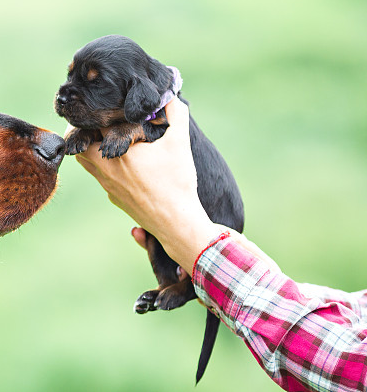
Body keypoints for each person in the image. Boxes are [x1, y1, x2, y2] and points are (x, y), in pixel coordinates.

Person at [73, 98, 367, 392]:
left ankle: (180, 284)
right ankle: (174, 283)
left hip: (211, 218)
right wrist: (238, 276)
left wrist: (196, 243)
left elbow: (348, 369)